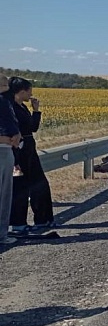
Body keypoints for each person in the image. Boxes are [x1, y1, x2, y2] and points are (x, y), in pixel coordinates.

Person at [3, 77, 56, 235]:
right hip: (18, 152)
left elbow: (32, 127)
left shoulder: (22, 107)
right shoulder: (10, 107)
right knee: (21, 187)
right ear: (21, 91)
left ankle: (43, 219)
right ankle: (18, 224)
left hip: (29, 150)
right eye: (29, 90)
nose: (31, 93)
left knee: (40, 184)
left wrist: (36, 110)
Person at [0, 75, 22, 247]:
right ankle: (2, 234)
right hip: (4, 150)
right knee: (4, 194)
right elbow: (11, 130)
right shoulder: (4, 102)